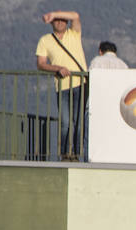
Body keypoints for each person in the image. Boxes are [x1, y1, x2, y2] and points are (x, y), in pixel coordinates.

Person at [34, 11, 86, 162]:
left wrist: (53, 13)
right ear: (51, 23)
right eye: (56, 20)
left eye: (63, 20)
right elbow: (41, 64)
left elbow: (76, 16)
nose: (60, 23)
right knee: (65, 122)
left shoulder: (74, 34)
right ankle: (65, 154)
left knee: (78, 121)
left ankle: (75, 154)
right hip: (62, 85)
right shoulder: (45, 40)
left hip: (81, 83)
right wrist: (57, 68)